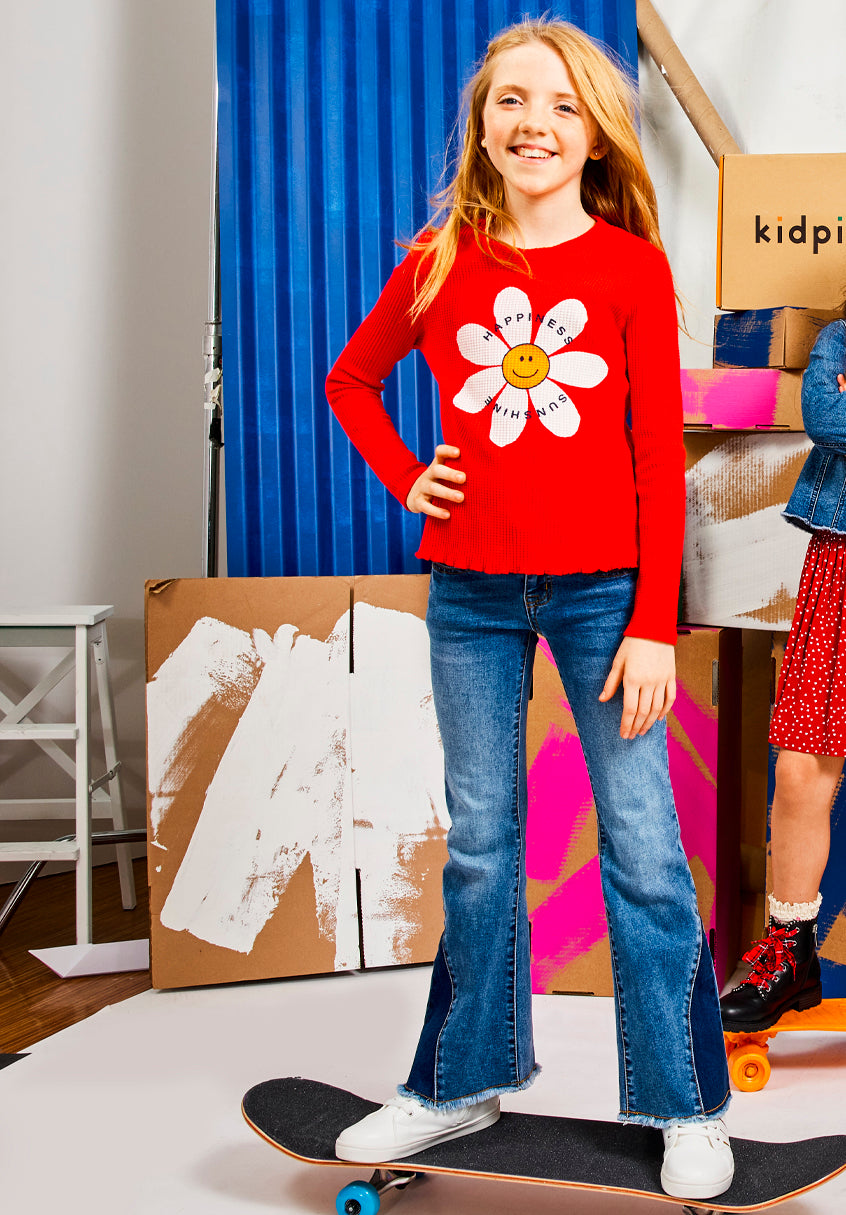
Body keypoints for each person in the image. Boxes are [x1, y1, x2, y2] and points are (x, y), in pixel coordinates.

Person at [325, 18, 733, 1200]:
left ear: (594, 135)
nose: (533, 123)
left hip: (609, 597)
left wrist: (654, 623)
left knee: (644, 848)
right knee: (481, 845)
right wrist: (409, 476)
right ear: (482, 125)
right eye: (510, 100)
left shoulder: (629, 267)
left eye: (561, 105)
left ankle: (685, 1105)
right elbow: (352, 380)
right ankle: (460, 1083)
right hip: (472, 594)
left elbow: (657, 457)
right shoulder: (441, 257)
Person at [720, 318, 846, 1033]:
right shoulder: (840, 339)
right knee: (799, 770)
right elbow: (825, 419)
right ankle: (790, 954)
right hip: (840, 563)